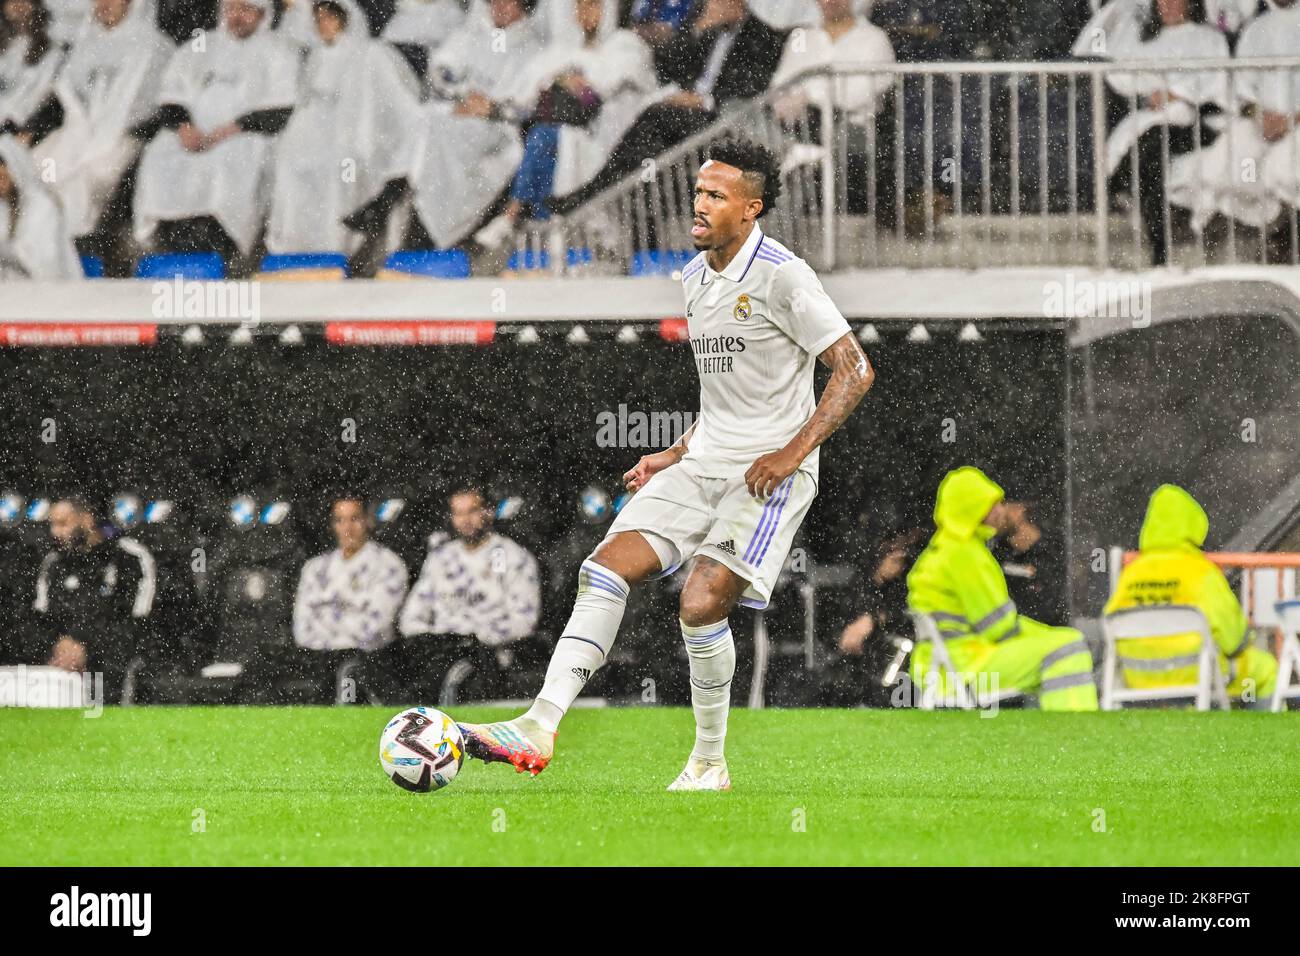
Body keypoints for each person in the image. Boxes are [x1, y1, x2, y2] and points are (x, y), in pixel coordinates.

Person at [459, 139, 874, 789]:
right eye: (698, 193)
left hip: (769, 477)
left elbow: (855, 370)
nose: (699, 204)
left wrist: (790, 453)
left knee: (701, 603)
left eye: (716, 195)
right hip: (702, 461)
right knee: (604, 568)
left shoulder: (784, 275)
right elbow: (728, 396)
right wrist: (675, 452)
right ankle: (539, 724)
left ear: (751, 208)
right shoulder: (694, 278)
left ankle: (709, 762)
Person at [550, 0, 788, 212]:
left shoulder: (763, 35)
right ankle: (607, 192)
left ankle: (596, 190)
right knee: (648, 140)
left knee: (656, 118)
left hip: (726, 122)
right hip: (692, 117)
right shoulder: (709, 32)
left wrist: (705, 100)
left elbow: (754, 88)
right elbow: (668, 67)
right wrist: (697, 29)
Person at [907, 466, 1099, 711]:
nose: (1001, 510)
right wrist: (1048, 635)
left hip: (943, 668)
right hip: (969, 669)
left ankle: (1061, 733)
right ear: (974, 509)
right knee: (1069, 648)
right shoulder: (965, 555)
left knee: (1065, 642)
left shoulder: (941, 550)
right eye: (993, 504)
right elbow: (999, 628)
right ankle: (1074, 737)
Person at [471, 0, 657, 248]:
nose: (585, 13)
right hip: (565, 139)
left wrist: (569, 81)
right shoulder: (562, 52)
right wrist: (561, 79)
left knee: (546, 139)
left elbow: (600, 86)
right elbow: (523, 97)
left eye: (593, 5)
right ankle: (534, 233)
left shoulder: (626, 45)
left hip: (613, 146)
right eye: (580, 5)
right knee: (545, 140)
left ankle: (511, 216)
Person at [132, 0, 299, 261]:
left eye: (245, 9)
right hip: (193, 132)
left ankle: (221, 246)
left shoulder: (278, 50)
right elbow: (171, 92)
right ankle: (170, 242)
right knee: (158, 157)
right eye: (232, 9)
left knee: (226, 167)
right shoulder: (201, 46)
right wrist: (184, 127)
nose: (237, 16)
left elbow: (280, 109)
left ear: (262, 13)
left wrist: (224, 133)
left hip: (244, 135)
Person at [265, 0, 421, 254]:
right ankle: (295, 249)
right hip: (316, 137)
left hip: (361, 140)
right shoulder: (316, 58)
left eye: (329, 17)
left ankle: (337, 248)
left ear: (346, 19)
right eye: (318, 18)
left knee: (339, 167)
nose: (323, 24)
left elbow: (394, 106)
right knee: (290, 163)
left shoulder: (371, 52)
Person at [1104, 484, 1277, 704]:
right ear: (1194, 525)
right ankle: (1257, 735)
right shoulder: (1201, 573)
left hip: (1138, 680)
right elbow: (1233, 641)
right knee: (1266, 668)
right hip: (1198, 677)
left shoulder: (1130, 574)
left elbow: (1109, 626)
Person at [407, 0, 547, 249]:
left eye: (508, 2)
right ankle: (423, 225)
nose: (500, 6)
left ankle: (437, 234)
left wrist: (493, 108)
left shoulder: (534, 49)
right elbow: (440, 70)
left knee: (452, 139)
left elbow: (531, 102)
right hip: (458, 113)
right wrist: (462, 95)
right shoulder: (472, 34)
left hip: (501, 128)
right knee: (426, 123)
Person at [26, 0, 171, 241]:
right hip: (77, 133)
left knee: (87, 179)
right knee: (32, 169)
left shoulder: (153, 45)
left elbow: (149, 105)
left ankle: (74, 246)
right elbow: (66, 92)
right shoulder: (86, 42)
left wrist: (109, 124)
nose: (104, 4)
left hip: (124, 135)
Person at [1100, 0, 1229, 264]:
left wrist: (1177, 93)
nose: (1167, 5)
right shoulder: (1149, 40)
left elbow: (1217, 83)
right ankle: (1159, 243)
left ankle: (1119, 183)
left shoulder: (1208, 38)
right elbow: (1121, 75)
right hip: (1155, 122)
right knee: (1150, 159)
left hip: (1196, 121)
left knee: (1150, 148)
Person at [399, 487, 542, 699]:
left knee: (448, 676)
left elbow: (524, 621)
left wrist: (475, 638)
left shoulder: (513, 557)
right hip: (438, 649)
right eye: (459, 513)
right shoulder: (440, 558)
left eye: (472, 511)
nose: (466, 520)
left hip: (485, 655)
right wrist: (437, 637)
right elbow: (409, 619)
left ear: (488, 512)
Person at [32, 496, 157, 704]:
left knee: (109, 693)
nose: (55, 532)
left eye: (63, 523)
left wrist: (86, 647)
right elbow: (38, 620)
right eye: (52, 524)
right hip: (60, 672)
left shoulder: (128, 557)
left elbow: (138, 623)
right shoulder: (53, 563)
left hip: (113, 669)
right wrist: (59, 645)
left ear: (87, 520)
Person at [293, 497, 410, 702]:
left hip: (368, 658)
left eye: (354, 519)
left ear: (367, 521)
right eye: (340, 520)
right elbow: (302, 628)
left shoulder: (388, 564)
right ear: (333, 525)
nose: (348, 528)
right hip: (317, 656)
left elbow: (375, 627)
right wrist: (331, 641)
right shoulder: (315, 568)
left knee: (348, 668)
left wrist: (330, 633)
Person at [0, 131, 81, 277]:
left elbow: (42, 260)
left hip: (47, 290)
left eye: (3, 177)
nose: (1, 185)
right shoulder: (3, 207)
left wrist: (6, 251)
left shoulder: (42, 205)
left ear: (16, 171)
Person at [0, 0, 65, 136]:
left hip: (15, 128)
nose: (18, 6)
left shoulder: (52, 52)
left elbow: (37, 98)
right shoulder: (6, 45)